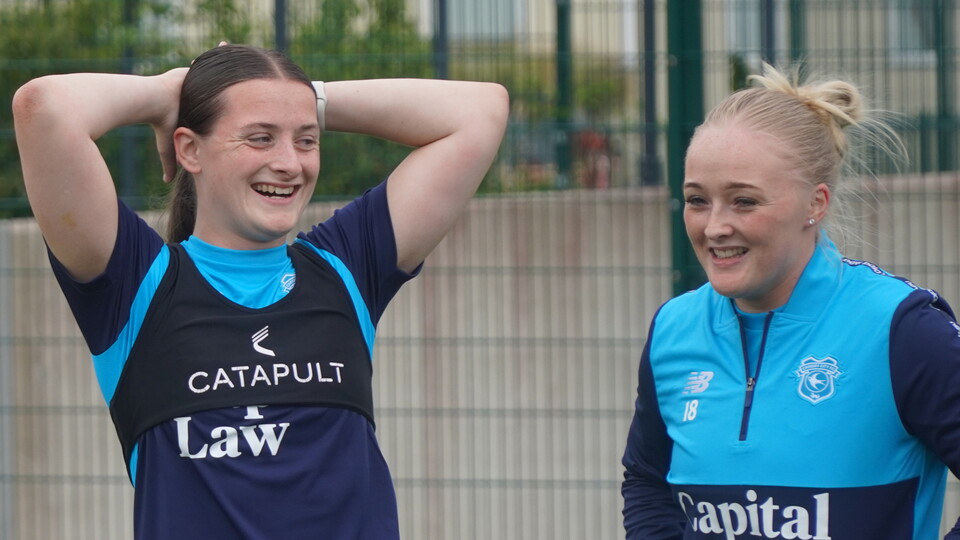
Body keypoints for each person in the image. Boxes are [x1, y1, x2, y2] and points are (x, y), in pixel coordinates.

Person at [13, 44, 508, 539]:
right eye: (260, 137)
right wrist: (168, 92)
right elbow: (45, 108)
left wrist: (299, 98)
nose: (290, 163)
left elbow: (480, 111)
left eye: (306, 140)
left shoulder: (347, 267)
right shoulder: (136, 285)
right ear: (189, 149)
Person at [621, 63, 960, 539]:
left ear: (815, 203)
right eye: (697, 200)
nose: (714, 226)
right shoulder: (674, 328)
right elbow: (647, 479)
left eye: (744, 201)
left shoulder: (901, 329)